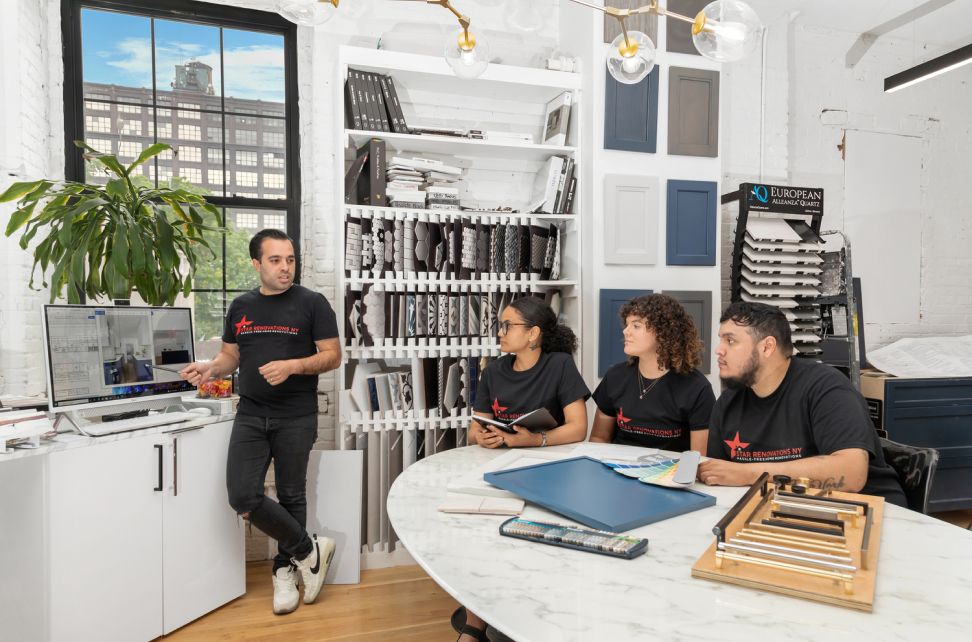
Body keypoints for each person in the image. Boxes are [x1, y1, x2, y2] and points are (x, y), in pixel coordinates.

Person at [180, 229, 343, 615]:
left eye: (290, 259)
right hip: (251, 414)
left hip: (296, 416)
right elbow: (230, 356)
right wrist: (209, 368)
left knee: (291, 495)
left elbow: (333, 355)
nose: (285, 267)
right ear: (256, 263)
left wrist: (293, 366)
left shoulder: (312, 303)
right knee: (242, 495)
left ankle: (284, 570)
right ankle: (309, 552)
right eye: (275, 260)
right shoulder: (241, 306)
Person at [455, 295, 590, 642]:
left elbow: (578, 427)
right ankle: (475, 624)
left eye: (507, 325)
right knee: (481, 540)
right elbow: (474, 429)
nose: (500, 332)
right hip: (502, 468)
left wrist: (535, 440)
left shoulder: (559, 365)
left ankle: (535, 616)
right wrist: (484, 438)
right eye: (500, 325)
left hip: (552, 470)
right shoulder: (493, 370)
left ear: (533, 334)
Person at [698, 301, 906, 506]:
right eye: (720, 340)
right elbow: (719, 476)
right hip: (787, 508)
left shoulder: (826, 388)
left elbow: (852, 473)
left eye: (730, 341)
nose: (719, 350)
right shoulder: (728, 403)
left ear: (767, 347)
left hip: (869, 510)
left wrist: (749, 473)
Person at [591, 294, 714, 453]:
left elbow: (699, 458)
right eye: (627, 325)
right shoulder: (615, 376)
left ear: (664, 333)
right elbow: (599, 438)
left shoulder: (697, 388)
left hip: (670, 468)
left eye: (636, 326)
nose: (625, 331)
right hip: (616, 465)